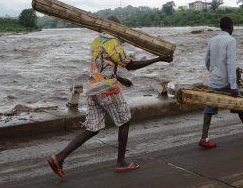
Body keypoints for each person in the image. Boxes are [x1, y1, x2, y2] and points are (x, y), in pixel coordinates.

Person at [48, 16, 172, 178]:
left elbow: (102, 65)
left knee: (93, 128)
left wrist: (120, 78)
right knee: (125, 121)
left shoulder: (96, 41)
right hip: (107, 89)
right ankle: (121, 163)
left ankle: (59, 157)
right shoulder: (113, 42)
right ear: (116, 29)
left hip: (93, 87)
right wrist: (159, 59)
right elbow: (130, 65)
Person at [199, 16, 243, 148]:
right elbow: (230, 64)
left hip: (214, 80)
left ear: (221, 26)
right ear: (230, 27)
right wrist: (233, 86)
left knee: (209, 109)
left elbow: (206, 60)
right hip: (226, 81)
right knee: (239, 105)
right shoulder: (230, 40)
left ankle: (204, 138)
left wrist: (213, 71)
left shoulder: (212, 40)